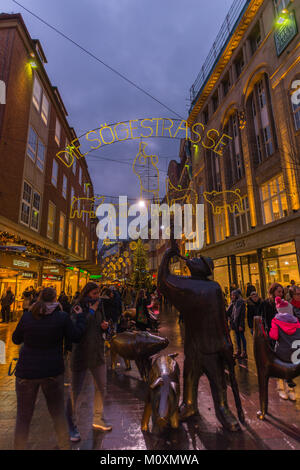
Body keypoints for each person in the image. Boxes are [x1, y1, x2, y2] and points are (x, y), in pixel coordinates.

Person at [11, 287, 86, 450]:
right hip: (52, 372)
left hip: (26, 373)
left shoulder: (27, 316)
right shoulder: (62, 317)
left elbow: (15, 339)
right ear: (55, 299)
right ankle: (64, 445)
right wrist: (80, 318)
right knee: (57, 413)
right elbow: (76, 336)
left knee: (23, 418)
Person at [66, 282, 112, 443]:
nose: (97, 296)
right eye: (94, 293)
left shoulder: (100, 306)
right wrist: (91, 312)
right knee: (75, 391)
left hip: (97, 352)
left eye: (98, 293)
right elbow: (77, 330)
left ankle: (98, 418)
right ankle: (71, 425)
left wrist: (105, 327)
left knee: (101, 386)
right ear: (87, 293)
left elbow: (103, 325)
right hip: (81, 354)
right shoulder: (77, 307)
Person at [269, 297, 300, 401]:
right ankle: (291, 390)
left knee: (281, 370)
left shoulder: (276, 321)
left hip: (281, 352)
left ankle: (281, 388)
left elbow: (273, 336)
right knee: (290, 370)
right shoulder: (296, 321)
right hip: (294, 353)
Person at [226, 289, 247, 358]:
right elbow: (229, 312)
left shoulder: (241, 303)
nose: (232, 296)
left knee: (242, 337)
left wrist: (241, 325)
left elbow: (242, 315)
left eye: (233, 295)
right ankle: (239, 350)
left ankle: (244, 351)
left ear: (237, 295)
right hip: (234, 323)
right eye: (231, 295)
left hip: (239, 323)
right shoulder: (233, 303)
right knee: (237, 337)